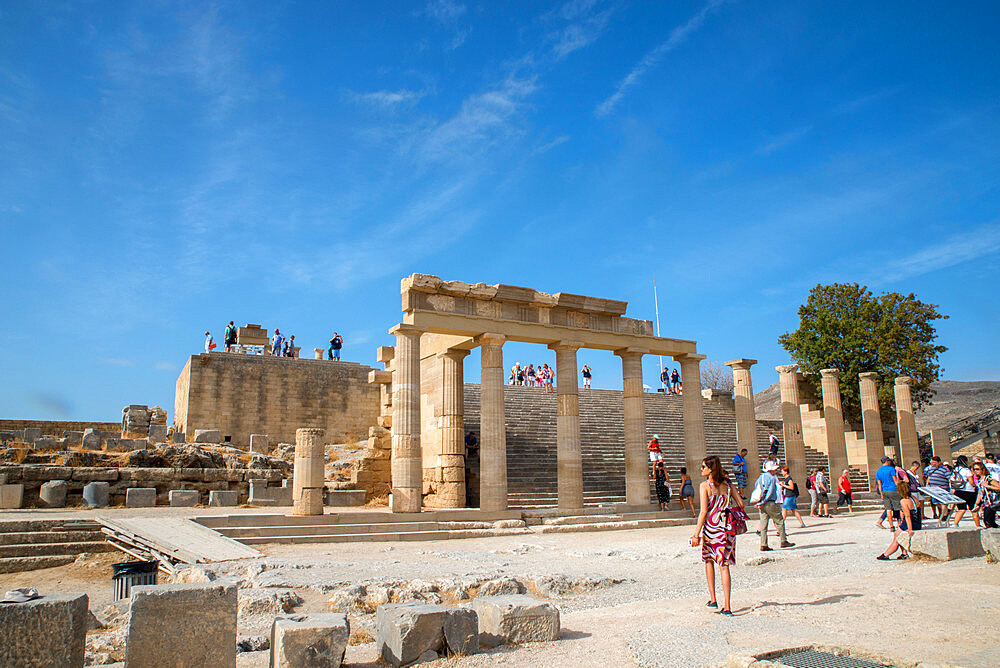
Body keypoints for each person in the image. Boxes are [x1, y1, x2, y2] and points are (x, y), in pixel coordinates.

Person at [690, 455, 744, 615]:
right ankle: (727, 607)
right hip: (727, 529)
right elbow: (740, 504)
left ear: (710, 469)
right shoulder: (728, 485)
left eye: (703, 467)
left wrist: (695, 534)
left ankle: (713, 599)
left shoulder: (705, 486)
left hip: (711, 529)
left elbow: (704, 512)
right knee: (724, 566)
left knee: (708, 560)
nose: (701, 469)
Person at [753, 460, 795, 551]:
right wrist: (764, 501)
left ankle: (763, 544)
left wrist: (759, 502)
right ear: (771, 470)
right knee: (779, 521)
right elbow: (770, 492)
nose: (776, 471)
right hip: (769, 502)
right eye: (775, 469)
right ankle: (783, 540)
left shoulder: (761, 477)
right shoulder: (771, 478)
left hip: (761, 503)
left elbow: (757, 488)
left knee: (763, 525)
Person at [877, 479, 920, 561]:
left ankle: (886, 554)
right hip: (917, 522)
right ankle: (904, 553)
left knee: (897, 537)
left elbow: (908, 516)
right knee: (897, 533)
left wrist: (910, 529)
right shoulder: (913, 498)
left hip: (910, 523)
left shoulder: (904, 501)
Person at [951, 455, 979, 527]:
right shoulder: (966, 470)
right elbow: (971, 481)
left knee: (961, 509)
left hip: (958, 490)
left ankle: (955, 523)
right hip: (968, 490)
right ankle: (977, 524)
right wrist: (975, 486)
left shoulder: (954, 470)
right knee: (973, 508)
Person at [972, 461, 1000, 528]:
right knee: (988, 521)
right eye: (974, 469)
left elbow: (999, 487)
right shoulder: (979, 480)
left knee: (988, 521)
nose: (976, 471)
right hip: (985, 503)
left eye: (977, 469)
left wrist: (988, 486)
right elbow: (980, 492)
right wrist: (977, 504)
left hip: (992, 502)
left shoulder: (988, 479)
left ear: (982, 469)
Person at [875, 456, 900, 531]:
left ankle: (891, 526)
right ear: (887, 461)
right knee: (897, 508)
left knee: (888, 509)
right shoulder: (891, 469)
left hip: (885, 491)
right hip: (893, 489)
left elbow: (879, 484)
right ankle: (899, 524)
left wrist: (881, 494)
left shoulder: (878, 471)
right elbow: (895, 480)